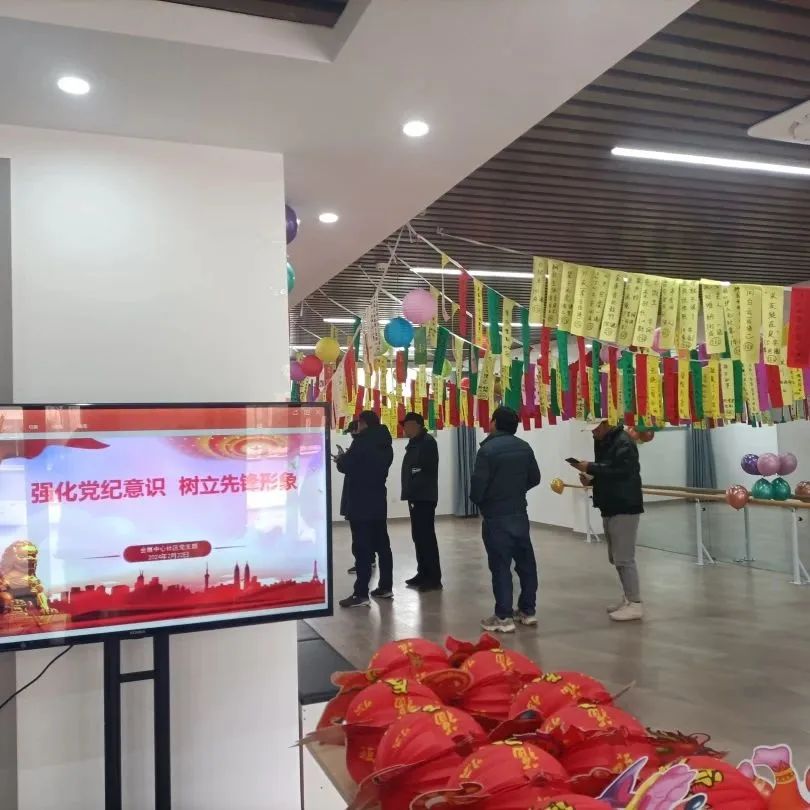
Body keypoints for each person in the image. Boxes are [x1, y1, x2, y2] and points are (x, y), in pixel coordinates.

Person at [469, 406, 541, 633]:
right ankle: (528, 611)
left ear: (494, 423)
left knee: (500, 566)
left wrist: (483, 501)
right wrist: (516, 491)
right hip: (519, 513)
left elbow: (478, 486)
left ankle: (503, 617)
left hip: (496, 516)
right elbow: (535, 478)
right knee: (526, 564)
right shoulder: (524, 447)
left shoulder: (487, 450)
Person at [570, 419, 644, 622]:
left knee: (624, 558)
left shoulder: (624, 442)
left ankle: (635, 603)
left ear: (605, 424)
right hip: (610, 505)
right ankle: (628, 597)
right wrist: (591, 478)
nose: (593, 433)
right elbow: (609, 471)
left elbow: (621, 472)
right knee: (616, 557)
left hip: (625, 506)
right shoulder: (605, 442)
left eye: (595, 429)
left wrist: (591, 467)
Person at [335, 410, 394, 608]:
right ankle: (385, 587)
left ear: (363, 423)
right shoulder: (386, 444)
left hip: (360, 502)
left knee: (362, 549)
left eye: (358, 423)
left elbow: (347, 465)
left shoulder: (361, 442)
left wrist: (341, 458)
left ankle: (360, 594)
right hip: (378, 500)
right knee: (383, 546)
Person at [400, 412, 441, 592]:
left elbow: (425, 468)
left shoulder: (427, 442)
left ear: (416, 425)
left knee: (426, 537)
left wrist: (414, 478)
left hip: (424, 496)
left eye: (407, 425)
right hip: (415, 496)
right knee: (418, 536)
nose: (404, 428)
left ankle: (433, 578)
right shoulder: (415, 443)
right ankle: (422, 572)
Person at [337, 421, 377, 576]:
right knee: (363, 532)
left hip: (358, 496)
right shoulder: (367, 445)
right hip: (361, 495)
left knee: (359, 533)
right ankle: (368, 560)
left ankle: (363, 562)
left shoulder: (360, 445)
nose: (352, 435)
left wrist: (342, 459)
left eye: (352, 431)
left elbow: (348, 466)